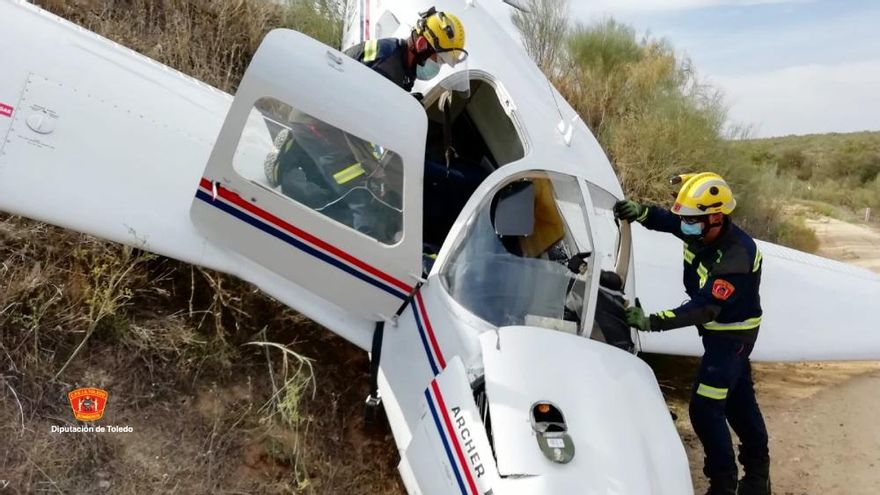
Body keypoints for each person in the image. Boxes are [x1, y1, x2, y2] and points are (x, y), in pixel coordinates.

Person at [614, 172, 770, 495]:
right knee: (739, 402)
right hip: (717, 334)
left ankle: (724, 483)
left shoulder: (737, 255)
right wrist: (642, 213)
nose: (684, 225)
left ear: (716, 217)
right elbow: (671, 222)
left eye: (691, 220)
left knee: (705, 407)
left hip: (731, 338)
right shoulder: (701, 230)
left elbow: (704, 308)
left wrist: (652, 321)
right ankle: (758, 479)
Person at [263, 8, 467, 244]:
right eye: (438, 60)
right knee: (366, 201)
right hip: (319, 126)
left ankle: (297, 153)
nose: (438, 67)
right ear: (422, 45)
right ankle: (291, 179)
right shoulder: (386, 67)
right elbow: (361, 128)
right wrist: (376, 172)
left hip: (328, 124)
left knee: (360, 184)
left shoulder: (398, 60)